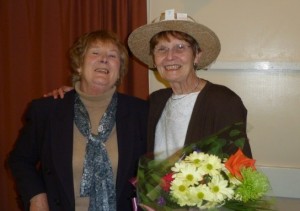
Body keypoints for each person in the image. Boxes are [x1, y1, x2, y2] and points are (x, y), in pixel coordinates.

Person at [8, 30, 148, 211]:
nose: (104, 59)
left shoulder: (141, 112)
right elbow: (20, 159)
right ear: (79, 65)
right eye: (95, 53)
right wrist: (36, 196)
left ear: (119, 70)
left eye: (112, 55)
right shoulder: (47, 110)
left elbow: (155, 168)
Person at [127, 9, 252, 160]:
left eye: (180, 47)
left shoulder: (223, 102)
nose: (170, 56)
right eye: (162, 49)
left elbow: (239, 169)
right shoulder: (156, 101)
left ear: (197, 55)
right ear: (154, 60)